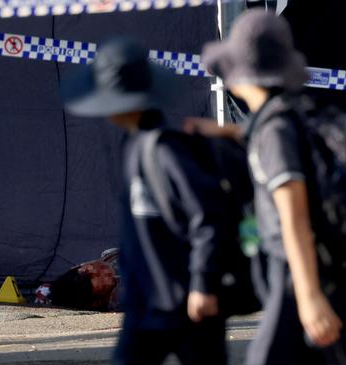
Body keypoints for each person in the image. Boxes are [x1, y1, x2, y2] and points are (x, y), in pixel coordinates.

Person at [200, 9, 346, 365]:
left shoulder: (275, 131)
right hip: (311, 270)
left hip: (295, 272)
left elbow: (292, 213)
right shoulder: (286, 116)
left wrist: (309, 294)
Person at [61, 38, 228, 365]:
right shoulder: (130, 147)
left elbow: (208, 216)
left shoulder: (167, 150)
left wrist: (204, 284)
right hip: (144, 303)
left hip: (185, 301)